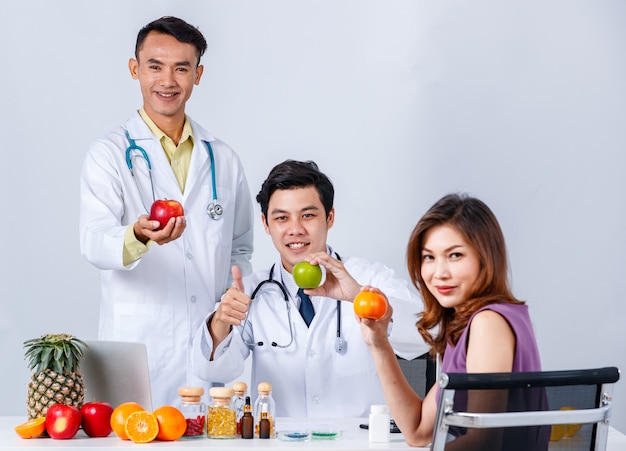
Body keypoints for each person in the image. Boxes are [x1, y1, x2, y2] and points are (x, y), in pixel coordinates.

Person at [79, 16, 254, 408]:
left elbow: (240, 249)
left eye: (182, 68)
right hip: (141, 348)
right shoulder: (108, 154)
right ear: (135, 69)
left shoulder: (223, 158)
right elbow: (93, 241)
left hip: (208, 347)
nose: (167, 81)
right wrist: (139, 236)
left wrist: (226, 310)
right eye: (155, 66)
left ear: (198, 74)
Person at [192, 160, 428, 417]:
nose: (295, 230)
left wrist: (361, 298)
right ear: (266, 224)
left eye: (308, 215)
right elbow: (212, 372)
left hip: (359, 442)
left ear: (330, 217)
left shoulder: (367, 277)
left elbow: (427, 334)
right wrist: (220, 322)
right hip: (282, 443)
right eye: (282, 218)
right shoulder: (250, 291)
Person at [357, 193, 548, 450]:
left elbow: (484, 440)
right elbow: (417, 430)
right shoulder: (471, 325)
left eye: (455, 255)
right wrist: (378, 343)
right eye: (429, 257)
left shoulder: (488, 323)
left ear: (485, 258)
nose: (440, 273)